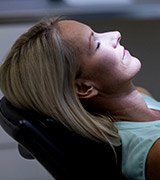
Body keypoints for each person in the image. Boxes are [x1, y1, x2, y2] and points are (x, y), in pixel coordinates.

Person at [0, 17, 159, 180]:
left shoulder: (143, 96)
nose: (116, 34)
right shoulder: (152, 153)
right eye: (96, 44)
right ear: (84, 87)